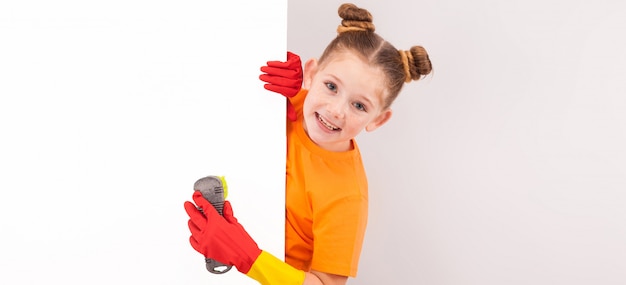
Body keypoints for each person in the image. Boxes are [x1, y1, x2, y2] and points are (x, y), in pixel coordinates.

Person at [183, 3, 432, 285]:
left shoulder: (346, 196)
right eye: (331, 86)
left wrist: (248, 257)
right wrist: (257, 64)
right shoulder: (287, 101)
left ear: (378, 120)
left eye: (359, 105)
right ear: (311, 73)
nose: (336, 110)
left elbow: (327, 284)